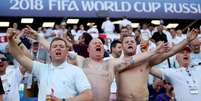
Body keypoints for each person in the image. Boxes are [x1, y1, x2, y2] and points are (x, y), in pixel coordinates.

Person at [7, 28, 92, 101]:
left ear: (67, 52)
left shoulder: (76, 71)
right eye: (55, 47)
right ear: (50, 52)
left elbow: (87, 95)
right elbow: (20, 56)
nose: (58, 48)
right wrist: (10, 39)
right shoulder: (41, 68)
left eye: (61, 47)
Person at [116, 29, 198, 101]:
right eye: (126, 42)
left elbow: (170, 52)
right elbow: (126, 63)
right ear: (122, 47)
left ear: (136, 45)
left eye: (132, 42)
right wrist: (154, 51)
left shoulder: (145, 62)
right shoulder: (116, 63)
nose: (130, 43)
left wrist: (187, 40)